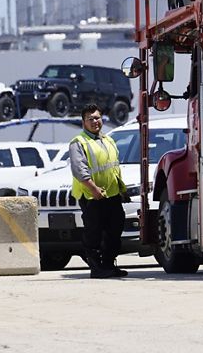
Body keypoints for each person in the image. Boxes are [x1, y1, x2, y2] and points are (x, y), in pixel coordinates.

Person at [69, 104, 129, 278]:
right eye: (90, 119)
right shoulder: (78, 143)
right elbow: (79, 170)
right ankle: (96, 268)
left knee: (114, 231)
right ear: (83, 122)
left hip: (111, 195)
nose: (95, 121)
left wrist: (121, 189)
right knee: (94, 233)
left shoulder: (108, 140)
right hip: (91, 196)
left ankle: (109, 265)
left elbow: (113, 168)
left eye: (97, 118)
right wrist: (93, 189)